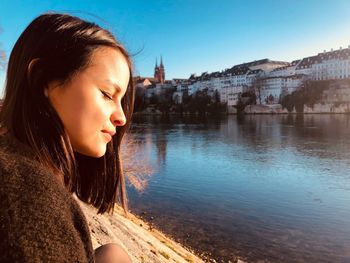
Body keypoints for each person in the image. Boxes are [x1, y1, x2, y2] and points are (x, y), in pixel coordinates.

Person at [0, 13, 135, 263]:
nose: (121, 117)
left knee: (112, 253)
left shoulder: (18, 160)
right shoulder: (31, 197)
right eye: (107, 94)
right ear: (44, 80)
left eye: (121, 100)